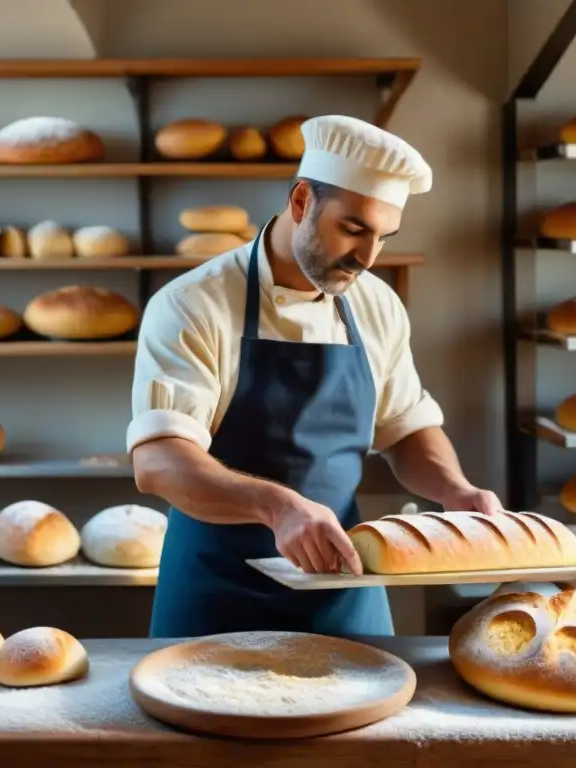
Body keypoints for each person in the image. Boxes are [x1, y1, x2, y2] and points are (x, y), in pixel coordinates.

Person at [128, 114, 503, 639]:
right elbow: (158, 461)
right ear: (301, 202)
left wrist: (456, 490)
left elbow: (404, 426)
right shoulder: (193, 304)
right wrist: (278, 507)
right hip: (217, 594)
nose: (366, 258)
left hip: (343, 585)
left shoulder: (377, 305)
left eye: (382, 237)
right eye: (352, 229)